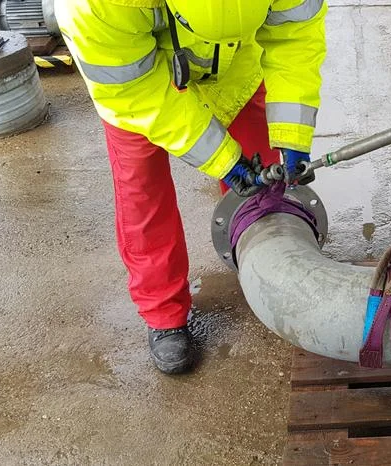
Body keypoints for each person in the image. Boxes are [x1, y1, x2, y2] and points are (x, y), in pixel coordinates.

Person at [55, 0, 327, 374]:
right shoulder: (95, 7)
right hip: (138, 82)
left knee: (262, 193)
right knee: (142, 191)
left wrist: (292, 135)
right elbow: (134, 94)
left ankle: (265, 264)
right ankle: (163, 313)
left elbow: (294, 36)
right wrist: (223, 160)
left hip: (235, 66)